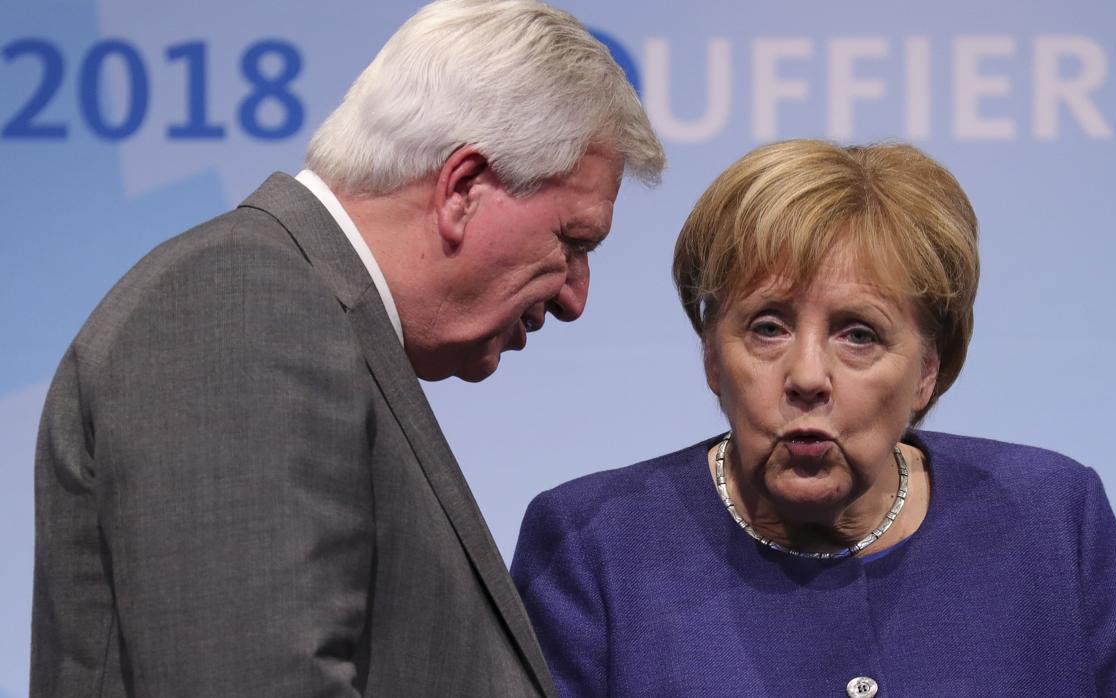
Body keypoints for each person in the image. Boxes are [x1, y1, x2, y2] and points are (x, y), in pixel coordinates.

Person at [30, 1, 663, 695]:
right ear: (463, 188)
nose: (576, 298)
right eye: (571, 243)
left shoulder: (303, 312)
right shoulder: (244, 299)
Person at [510, 140, 1116, 696]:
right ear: (713, 356)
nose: (805, 377)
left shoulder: (1051, 518)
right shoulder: (594, 546)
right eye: (767, 328)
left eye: (858, 335)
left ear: (927, 370)